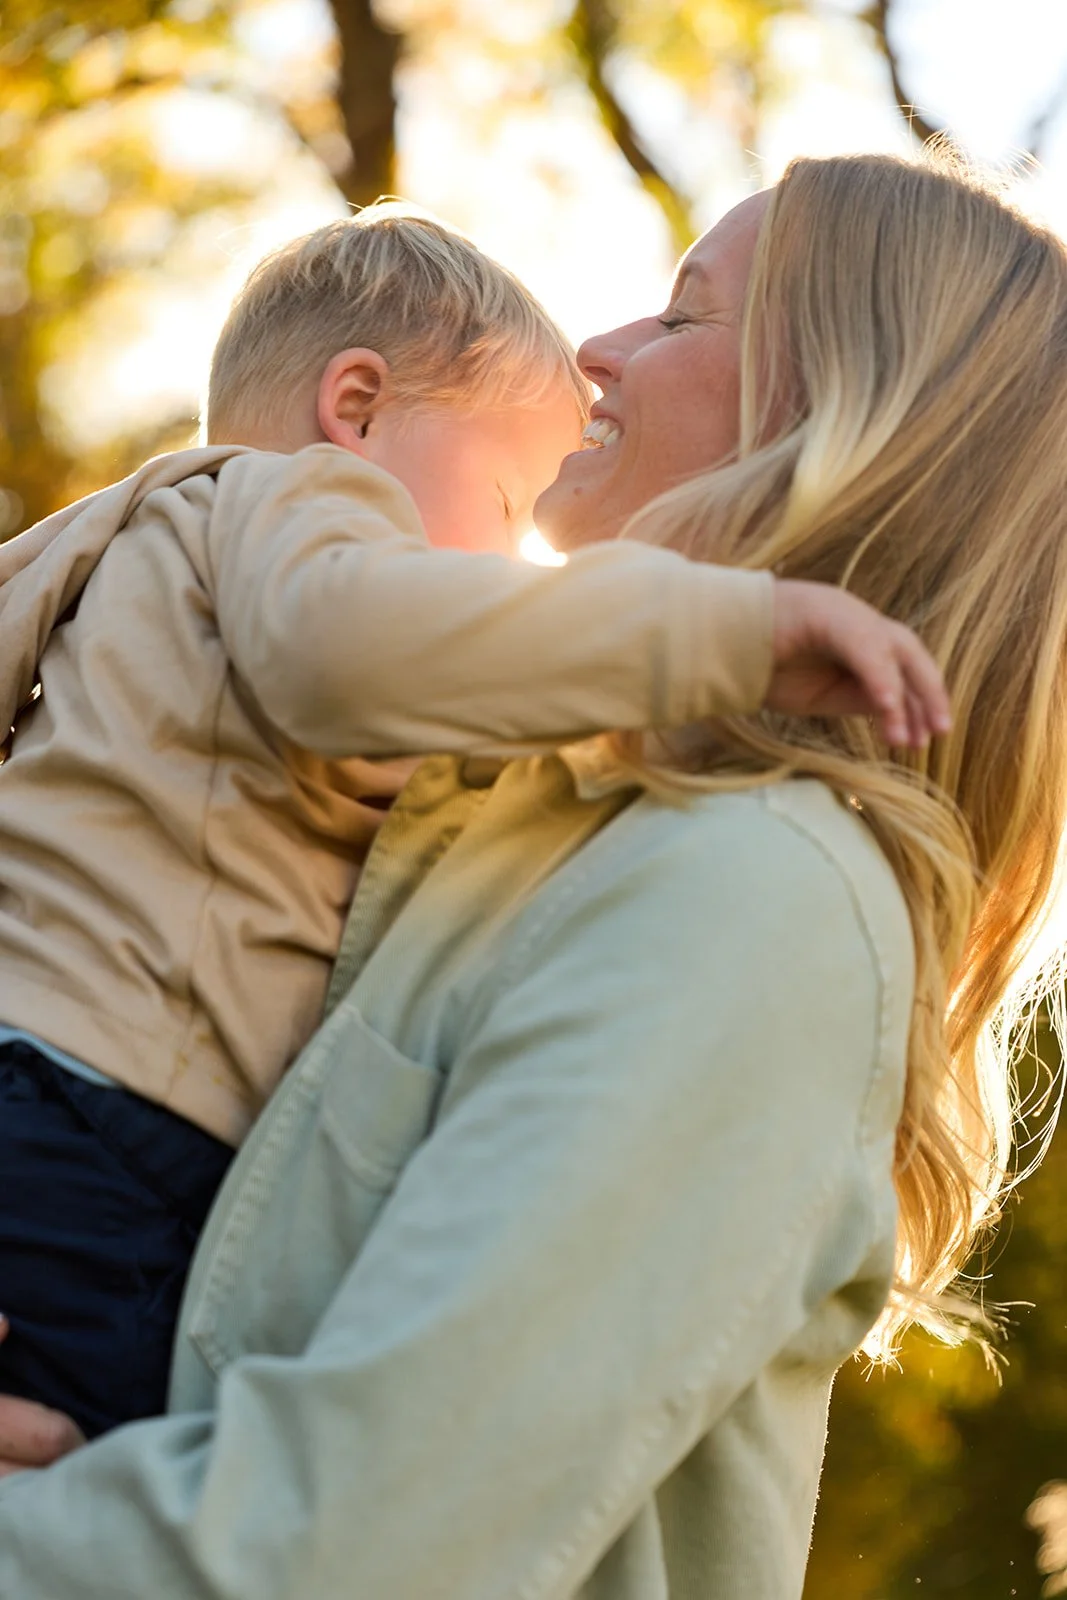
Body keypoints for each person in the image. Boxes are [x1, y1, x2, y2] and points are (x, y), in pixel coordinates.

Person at [1, 149, 1062, 1600]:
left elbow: (349, 1554)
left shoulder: (754, 900)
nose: (601, 349)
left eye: (683, 316)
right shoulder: (511, 831)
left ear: (848, 425)